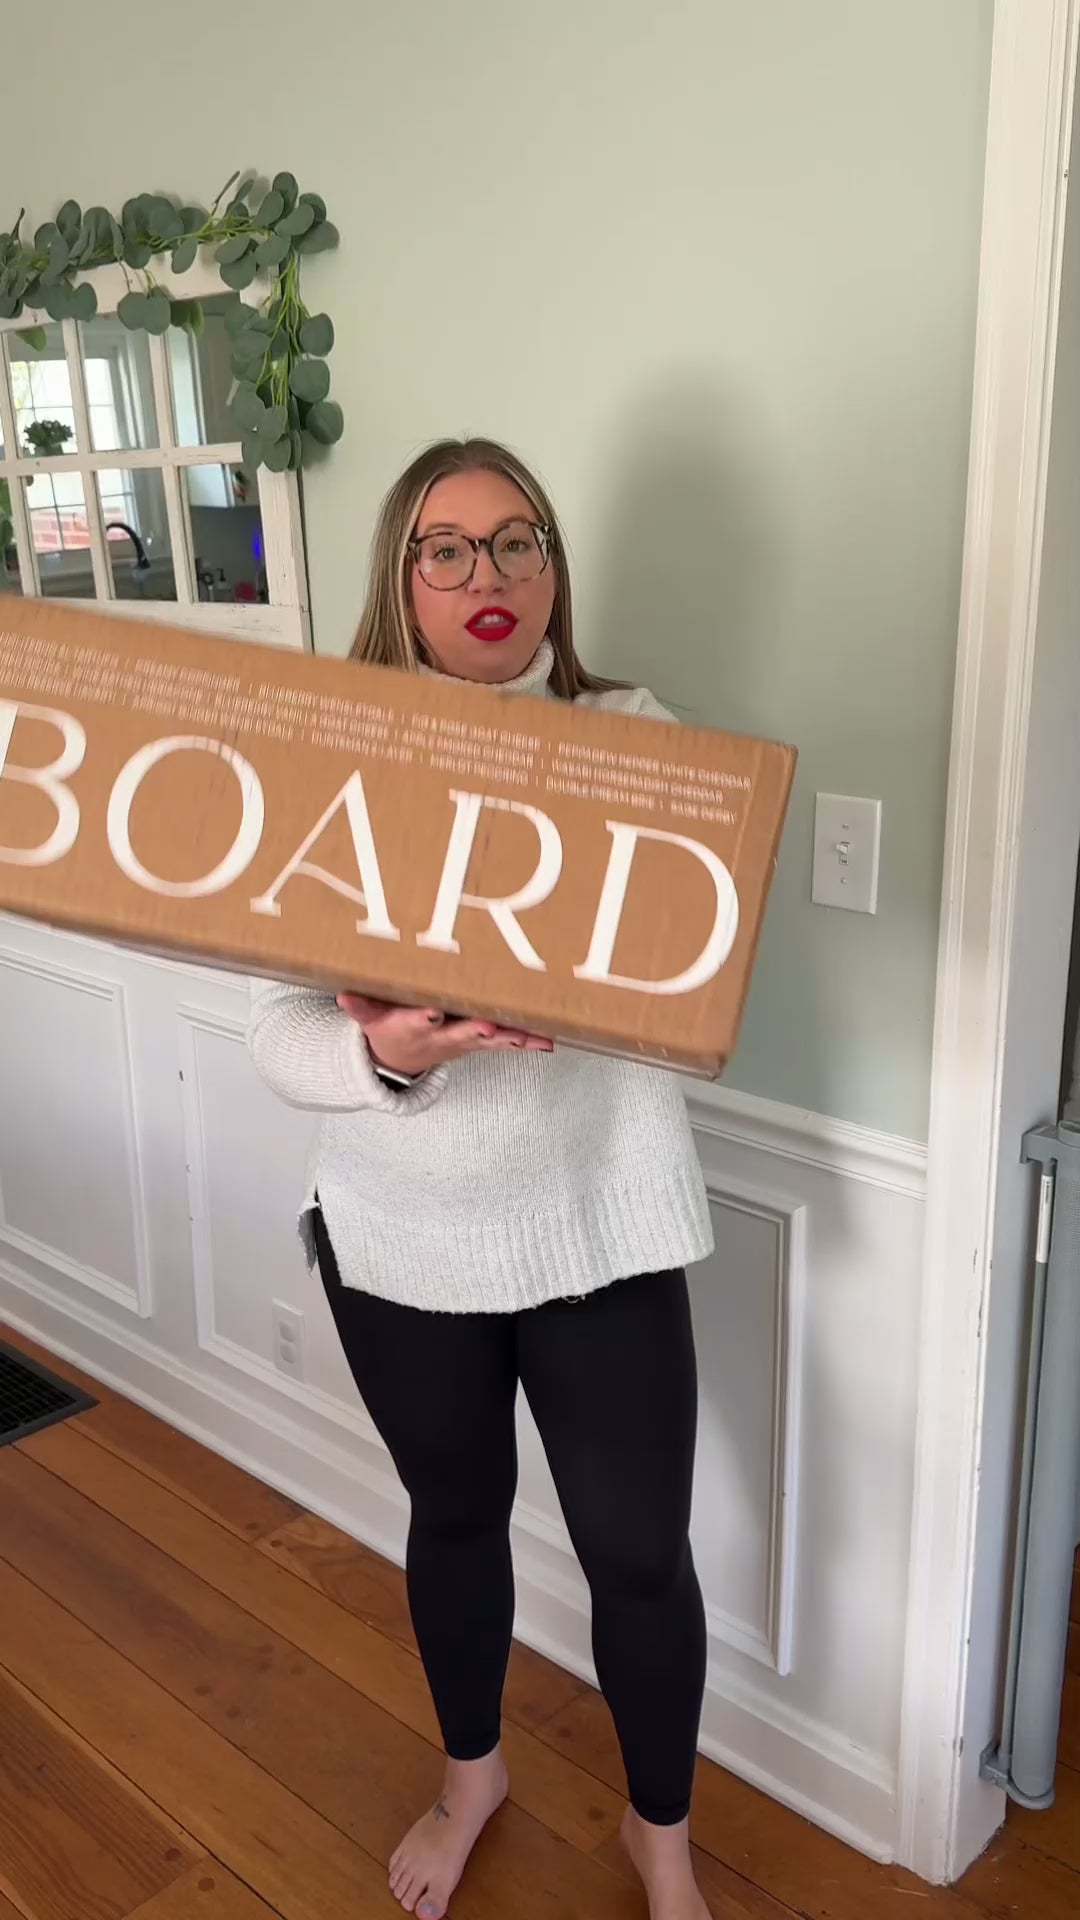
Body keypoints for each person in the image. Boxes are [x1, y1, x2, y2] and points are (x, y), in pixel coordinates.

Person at [247, 437, 717, 1920]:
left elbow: (698, 977)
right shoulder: (327, 752)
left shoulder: (638, 735)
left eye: (519, 543)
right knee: (454, 1520)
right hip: (404, 1240)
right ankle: (474, 1779)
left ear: (555, 569)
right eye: (446, 548)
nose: (489, 576)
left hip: (606, 1224)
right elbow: (273, 1028)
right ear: (400, 576)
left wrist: (619, 986)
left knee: (640, 1558)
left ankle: (664, 1839)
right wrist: (388, 1049)